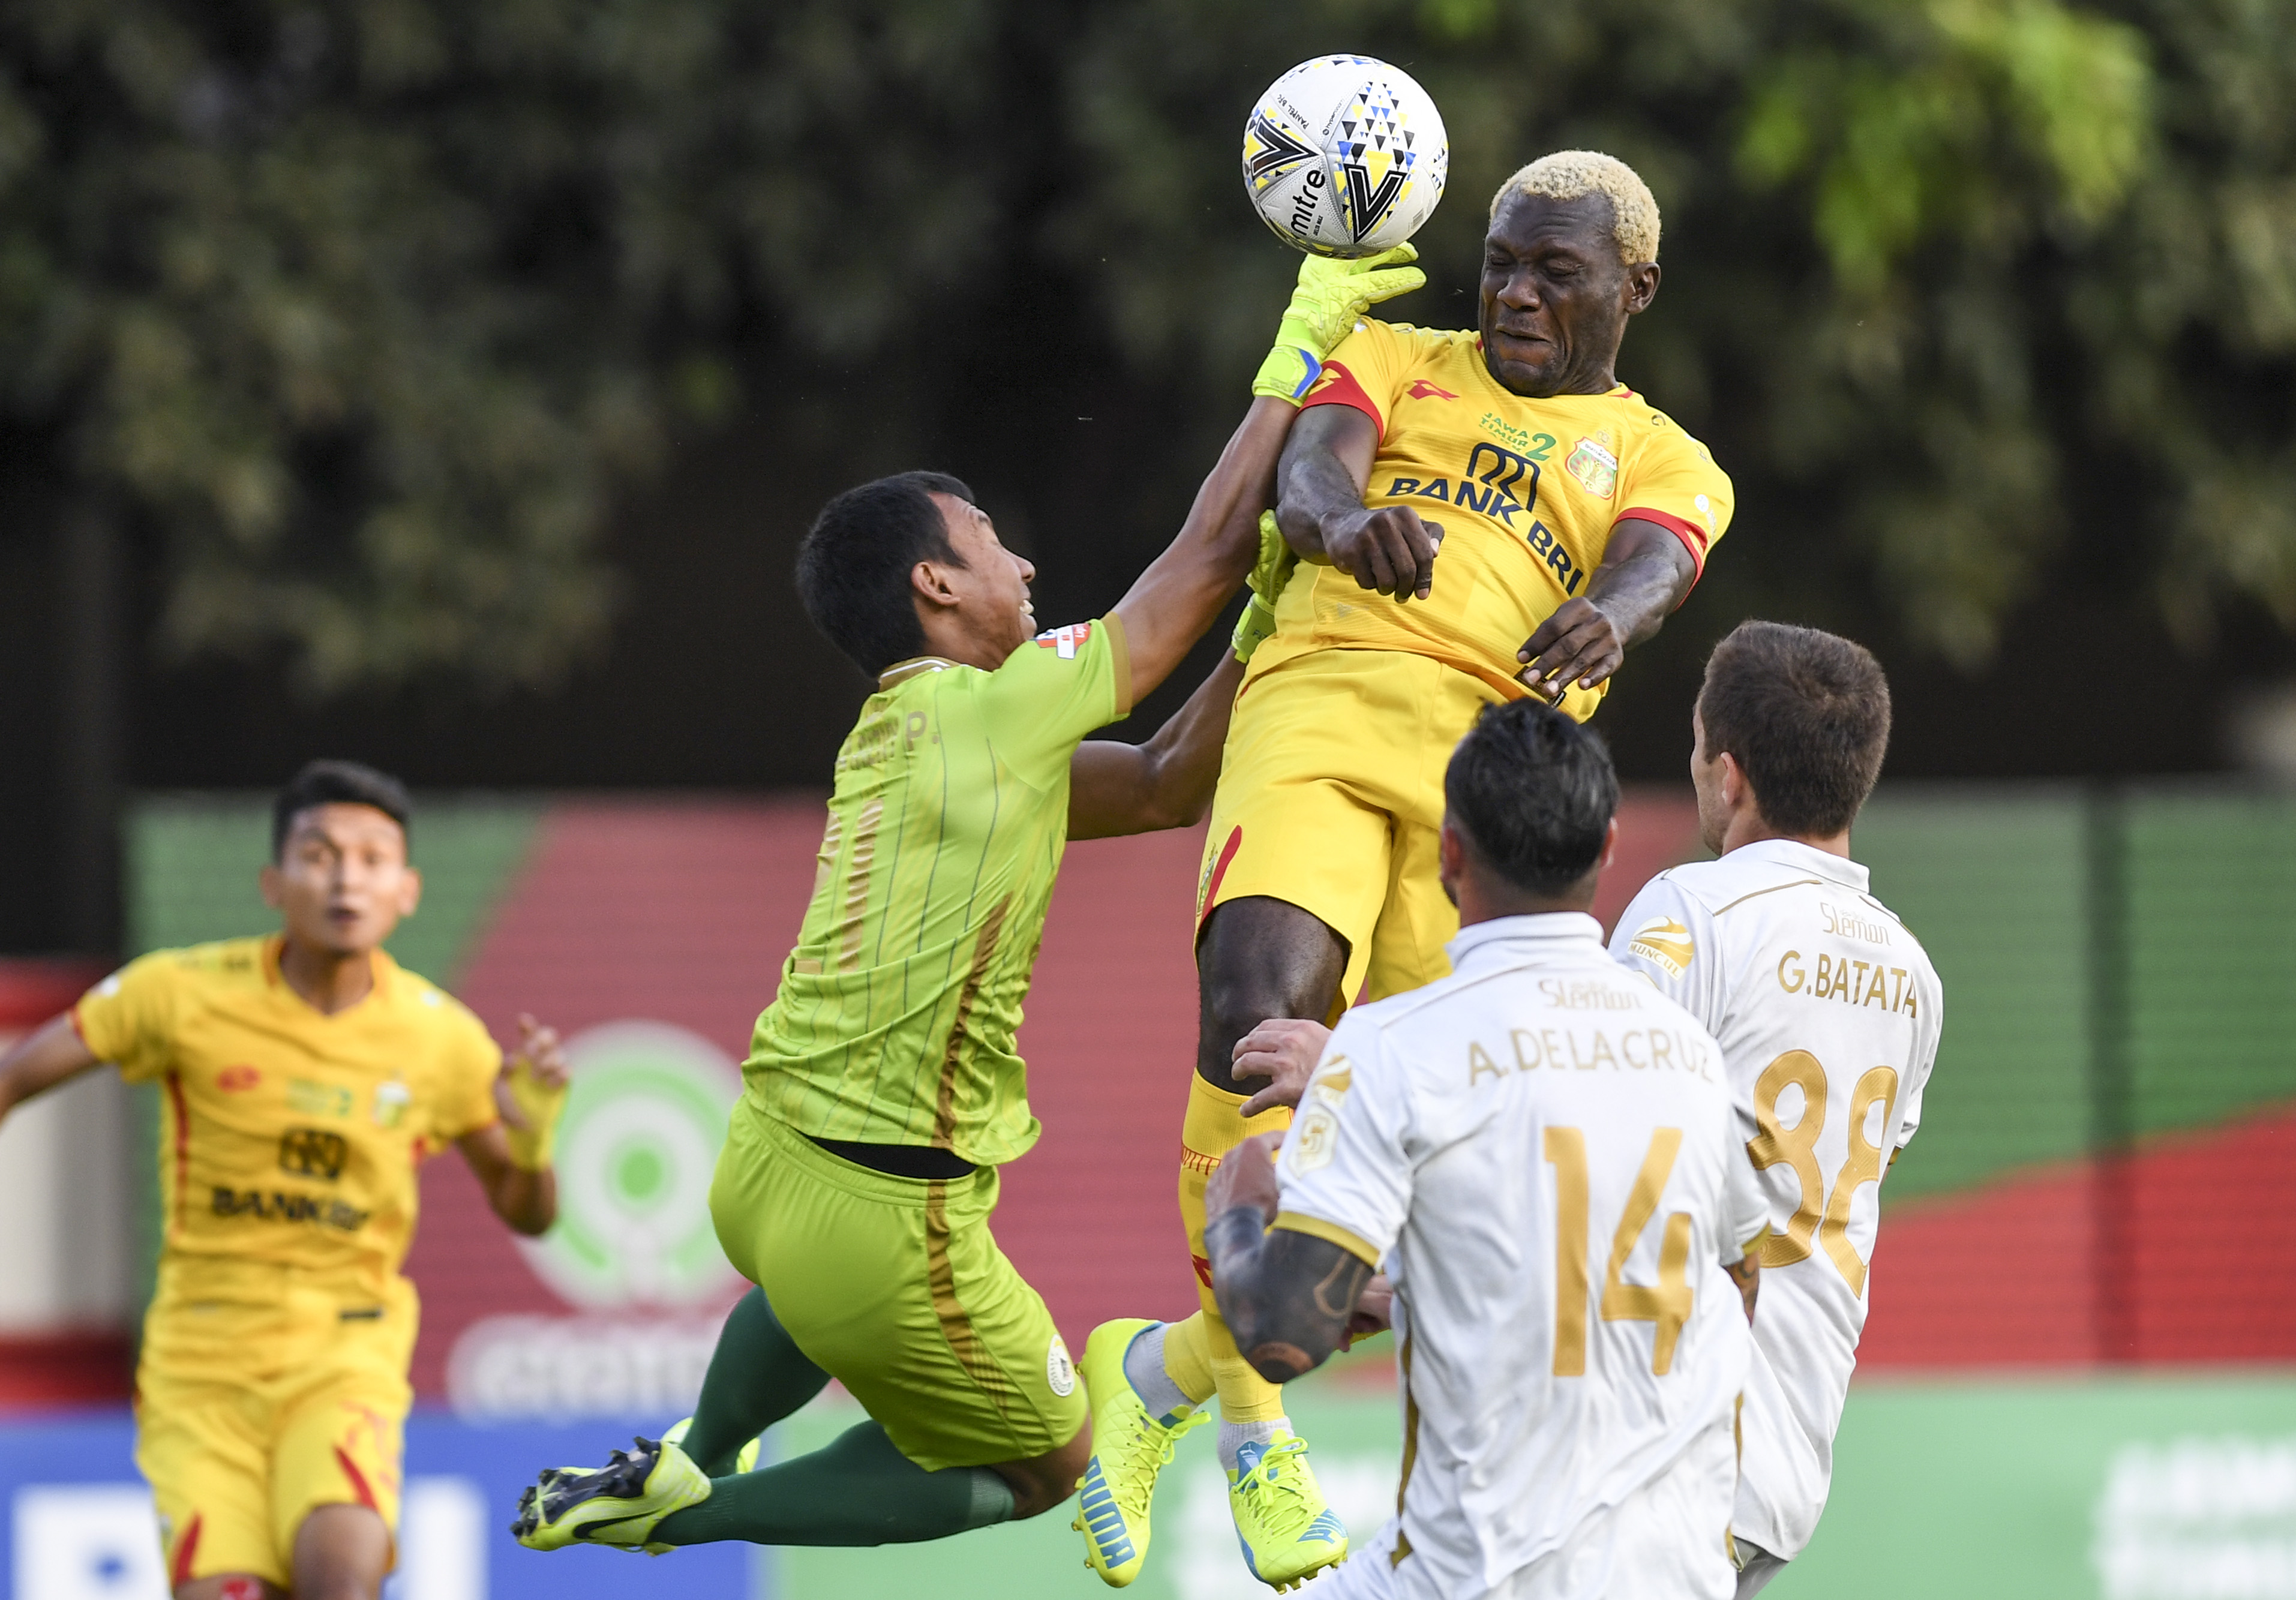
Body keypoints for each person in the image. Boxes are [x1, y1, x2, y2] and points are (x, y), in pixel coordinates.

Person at [506, 247, 1427, 1569]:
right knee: (1040, 1464)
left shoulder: (908, 736)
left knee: (808, 1297)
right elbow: (1203, 552)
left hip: (761, 1165)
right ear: (935, 586)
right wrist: (1295, 352)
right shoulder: (998, 703)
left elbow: (1170, 780)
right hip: (887, 1217)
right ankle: (701, 1510)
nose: (1024, 557)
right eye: (991, 539)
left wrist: (1265, 631)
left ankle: (691, 1446)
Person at [1087, 146, 1743, 1592]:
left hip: (1486, 790)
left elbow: (1654, 559)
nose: (1510, 291)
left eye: (1550, 273)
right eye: (1499, 260)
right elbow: (1309, 475)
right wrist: (1335, 521)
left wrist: (1612, 620)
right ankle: (1253, 1420)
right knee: (1252, 1001)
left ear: (1629, 290)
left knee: (1440, 1188)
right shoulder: (1391, 351)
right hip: (1319, 699)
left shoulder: (1666, 455)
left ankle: (1163, 1370)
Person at [1200, 700, 1765, 1599]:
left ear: (1448, 853)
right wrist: (1433, 1295)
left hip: (1480, 1573)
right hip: (1678, 1573)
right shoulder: (1692, 1055)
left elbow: (1280, 1335)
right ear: (1608, 845)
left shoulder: (1387, 1046)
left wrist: (1235, 1203)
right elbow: (1735, 1281)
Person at [0, 760, 571, 1600]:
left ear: (407, 890)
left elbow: (530, 1218)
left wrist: (533, 1147)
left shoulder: (442, 1040)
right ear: (274, 881)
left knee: (337, 1573)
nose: (347, 879)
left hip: (345, 1355)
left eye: (374, 859)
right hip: (202, 1368)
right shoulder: (180, 992)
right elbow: (15, 1076)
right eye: (321, 854)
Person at [1608, 622, 1943, 1595]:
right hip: (1783, 1461)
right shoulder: (1913, 973)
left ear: (1732, 772)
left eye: (1696, 746)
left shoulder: (1691, 912)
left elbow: (1591, 1122)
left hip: (1662, 1449)